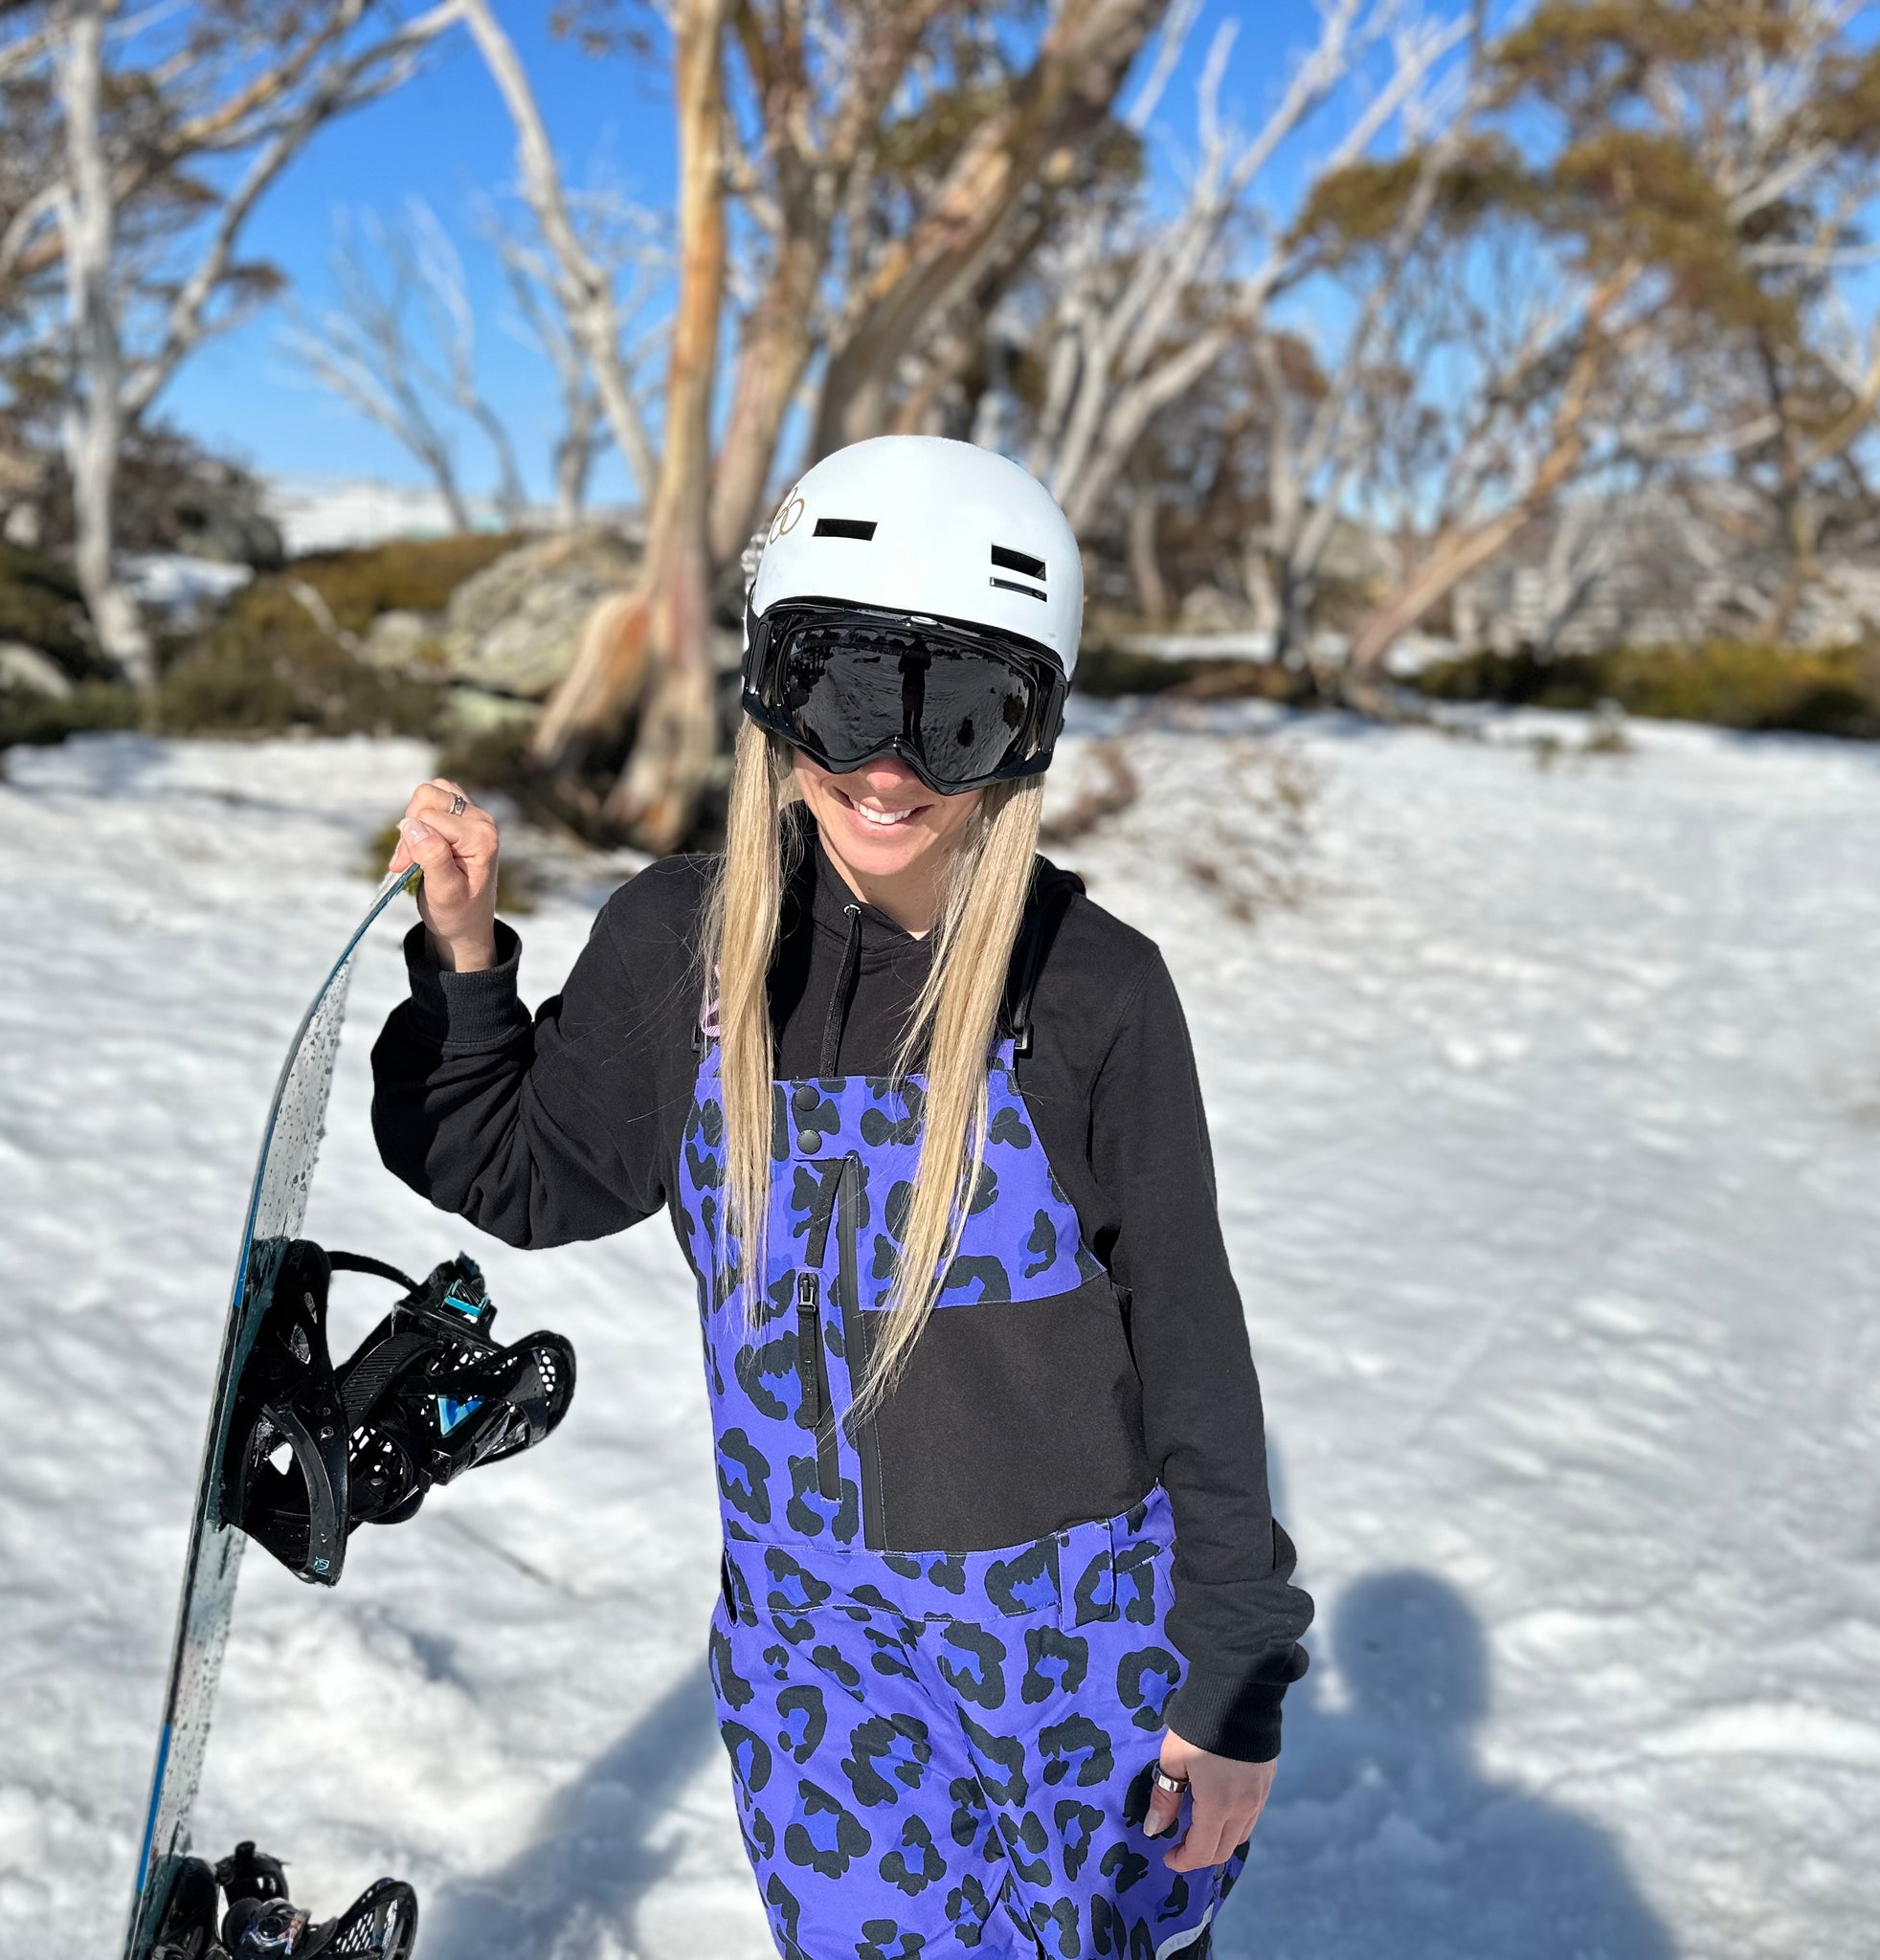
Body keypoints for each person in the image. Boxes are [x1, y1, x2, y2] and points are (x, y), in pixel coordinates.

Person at [371, 435, 1312, 1960]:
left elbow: (1194, 1348)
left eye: (962, 715)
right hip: (819, 1665)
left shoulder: (1090, 992)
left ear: (1030, 736)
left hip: (1072, 1674)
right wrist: (469, 958)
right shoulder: (689, 943)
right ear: (772, 686)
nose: (890, 766)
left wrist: (1233, 1681)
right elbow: (525, 1173)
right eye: (850, 691)